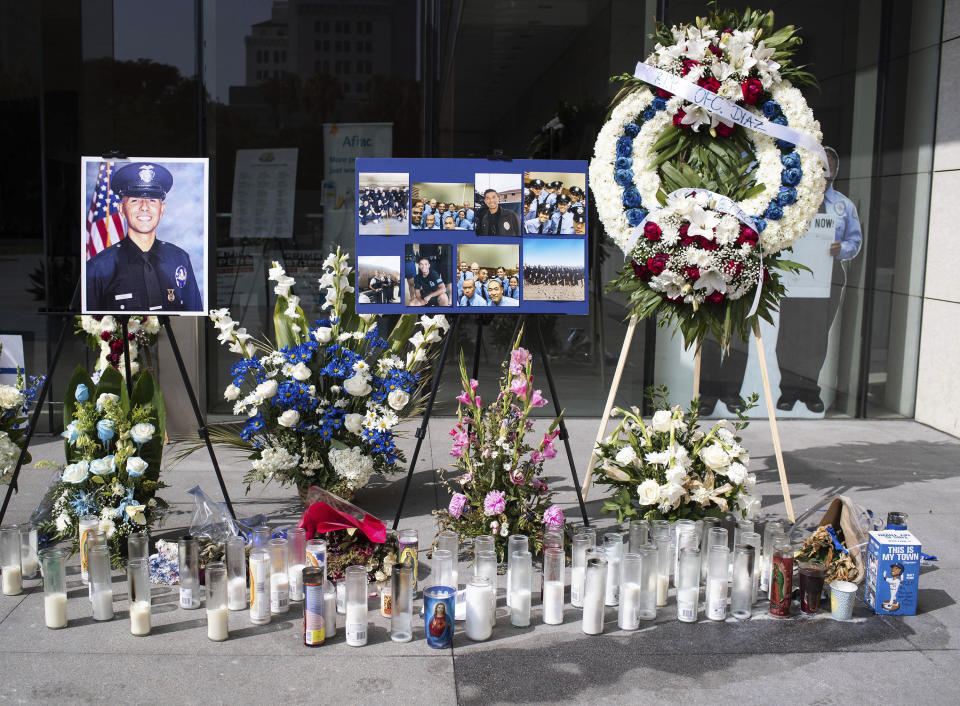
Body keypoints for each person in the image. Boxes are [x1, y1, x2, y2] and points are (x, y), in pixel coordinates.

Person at [776, 146, 862, 413]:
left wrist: (842, 249)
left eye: (829, 167)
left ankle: (809, 390)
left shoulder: (843, 205)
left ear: (835, 171)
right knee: (790, 334)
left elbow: (855, 241)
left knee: (817, 336)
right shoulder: (793, 201)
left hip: (829, 274)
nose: (824, 172)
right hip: (796, 273)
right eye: (819, 166)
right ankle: (788, 390)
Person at [86, 161, 202, 312]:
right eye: (135, 200)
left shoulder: (179, 259)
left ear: (162, 209)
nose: (145, 207)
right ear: (121, 209)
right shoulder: (99, 268)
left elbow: (195, 317)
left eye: (152, 200)